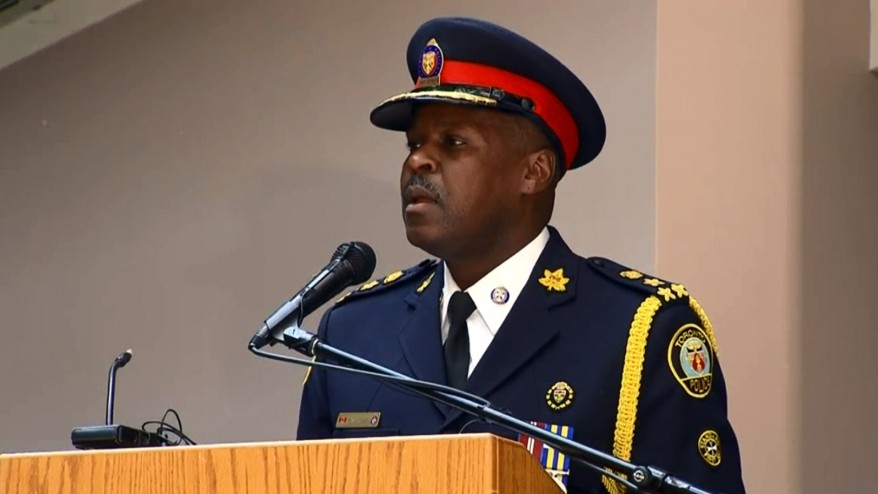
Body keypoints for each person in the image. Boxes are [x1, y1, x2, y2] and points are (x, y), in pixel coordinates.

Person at [296, 16, 744, 494]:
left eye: (453, 142)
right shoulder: (354, 331)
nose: (416, 161)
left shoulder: (637, 330)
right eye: (414, 143)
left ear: (534, 172)